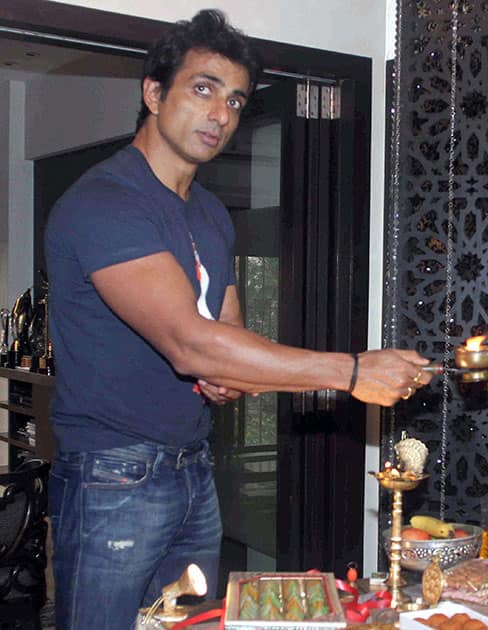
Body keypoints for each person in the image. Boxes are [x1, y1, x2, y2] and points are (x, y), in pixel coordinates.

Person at [43, 10, 431, 629]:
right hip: (112, 476)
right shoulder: (105, 202)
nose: (221, 113)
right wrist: (352, 371)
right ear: (153, 93)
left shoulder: (210, 215)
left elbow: (226, 335)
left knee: (190, 625)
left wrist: (229, 374)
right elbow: (192, 344)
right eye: (202, 89)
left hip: (193, 465)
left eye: (235, 99)